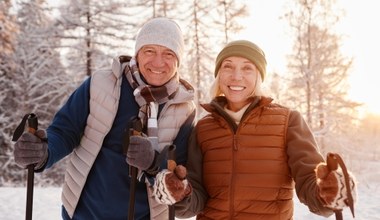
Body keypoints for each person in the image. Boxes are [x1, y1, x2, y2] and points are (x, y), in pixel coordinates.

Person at [13, 17, 196, 219]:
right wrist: (42, 153)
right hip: (85, 213)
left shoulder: (184, 109)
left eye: (168, 54)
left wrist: (153, 163)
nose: (158, 62)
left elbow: (178, 176)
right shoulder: (100, 84)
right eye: (149, 51)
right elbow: (65, 131)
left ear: (178, 60)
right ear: (137, 53)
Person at [152, 40, 357, 219]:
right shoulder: (203, 128)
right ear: (219, 75)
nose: (236, 76)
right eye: (228, 66)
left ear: (259, 75)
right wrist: (181, 192)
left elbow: (309, 181)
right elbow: (195, 199)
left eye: (247, 68)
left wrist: (328, 190)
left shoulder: (287, 121)